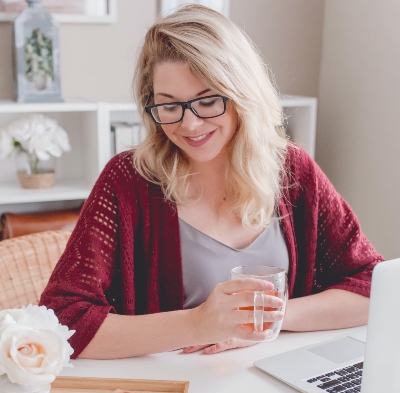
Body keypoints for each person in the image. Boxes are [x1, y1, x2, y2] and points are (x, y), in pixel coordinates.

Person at [40, 5, 383, 359]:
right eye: (169, 105)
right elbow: (62, 320)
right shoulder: (127, 181)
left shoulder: (292, 170)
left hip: (274, 384)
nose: (189, 125)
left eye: (207, 101)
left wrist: (265, 319)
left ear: (242, 94)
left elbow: (373, 285)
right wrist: (198, 323)